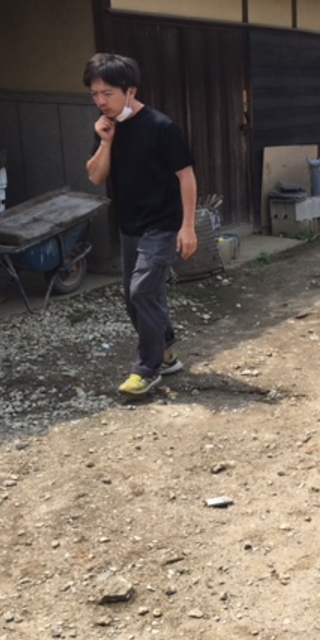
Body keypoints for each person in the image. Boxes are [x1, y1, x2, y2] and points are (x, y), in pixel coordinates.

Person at [84, 53, 199, 396]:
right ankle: (165, 354)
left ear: (130, 91)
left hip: (163, 225)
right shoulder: (106, 127)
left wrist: (188, 227)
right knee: (133, 298)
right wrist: (105, 141)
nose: (101, 101)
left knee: (142, 291)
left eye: (108, 93)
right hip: (130, 224)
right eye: (95, 94)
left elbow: (187, 176)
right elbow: (95, 176)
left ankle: (146, 368)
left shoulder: (161, 127)